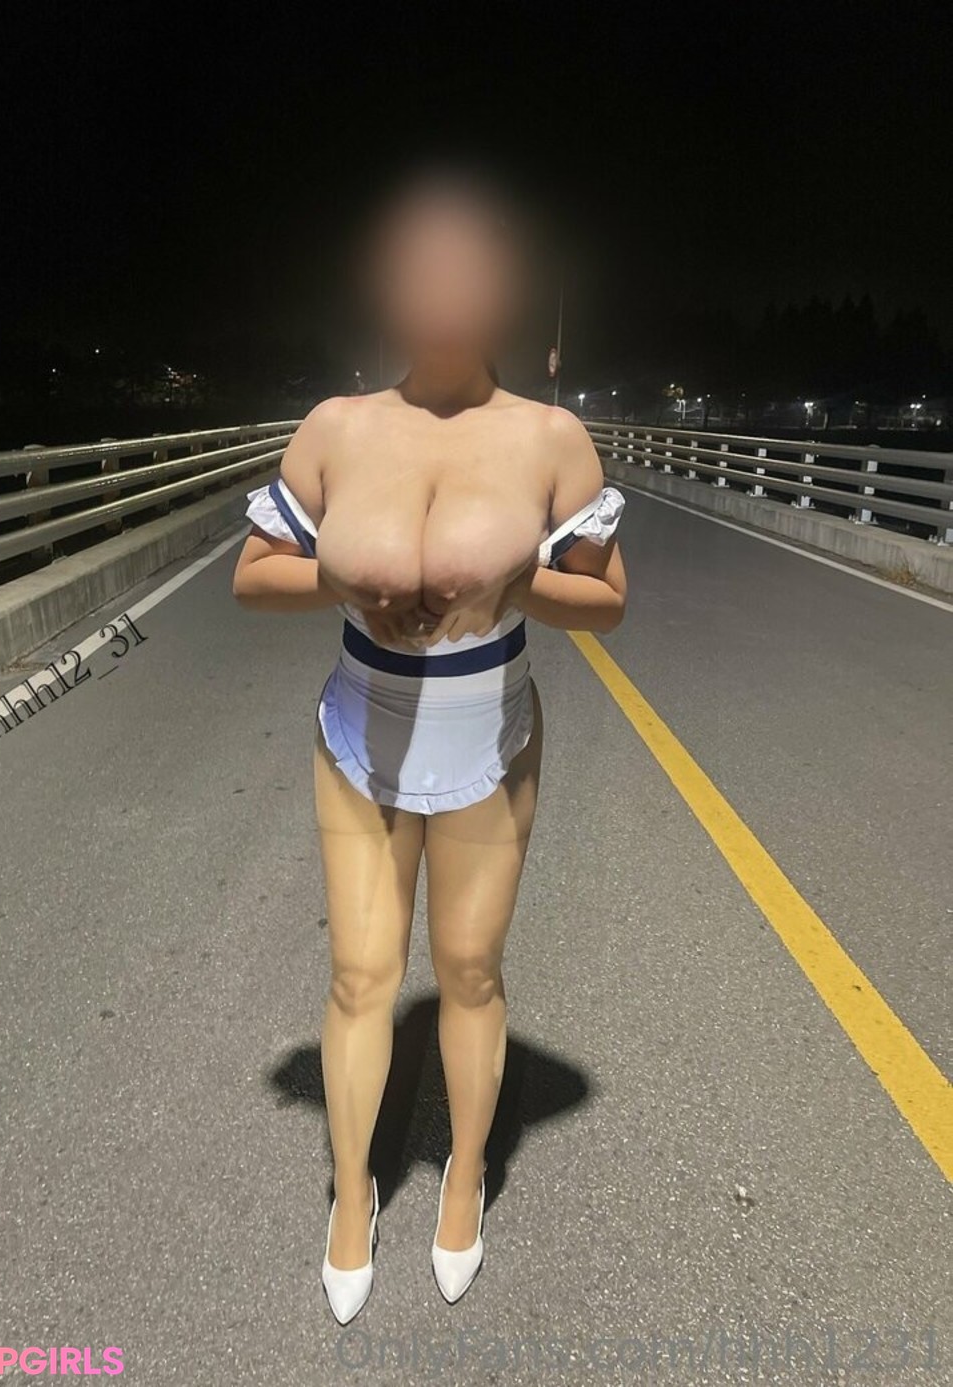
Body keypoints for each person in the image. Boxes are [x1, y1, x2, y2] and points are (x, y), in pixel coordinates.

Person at [232, 164, 627, 1323]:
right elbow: (252, 574)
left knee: (469, 972)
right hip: (359, 726)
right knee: (360, 976)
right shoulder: (337, 427)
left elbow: (607, 600)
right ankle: (353, 1197)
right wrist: (337, 577)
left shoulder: (552, 438)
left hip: (489, 730)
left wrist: (519, 582)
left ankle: (462, 1180)